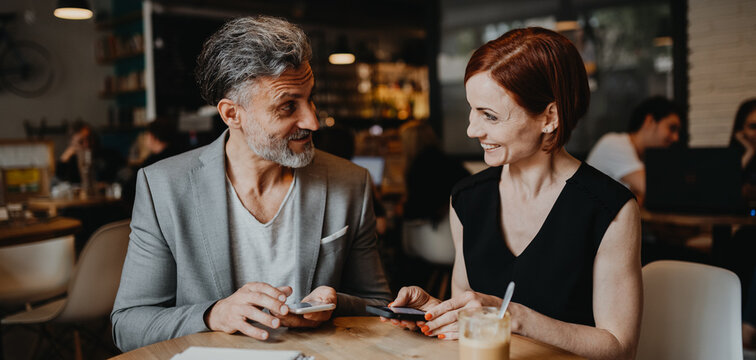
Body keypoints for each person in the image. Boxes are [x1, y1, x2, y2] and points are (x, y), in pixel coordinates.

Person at [111, 16, 392, 352]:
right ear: (232, 114)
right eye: (288, 106)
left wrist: (335, 305)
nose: (312, 120)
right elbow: (127, 325)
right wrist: (213, 314)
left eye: (310, 98)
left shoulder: (350, 182)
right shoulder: (164, 188)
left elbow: (377, 306)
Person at [386, 27, 642, 360]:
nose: (472, 130)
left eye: (489, 115)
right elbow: (471, 321)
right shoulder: (466, 199)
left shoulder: (610, 210)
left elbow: (620, 348)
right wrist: (439, 313)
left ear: (549, 117)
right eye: (472, 109)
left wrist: (518, 319)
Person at [586, 96, 682, 204]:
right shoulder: (614, 144)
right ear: (649, 121)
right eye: (672, 128)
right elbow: (655, 191)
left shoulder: (644, 157)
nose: (676, 138)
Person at [56, 121, 125, 184]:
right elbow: (58, 183)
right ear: (72, 145)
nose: (87, 144)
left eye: (89, 139)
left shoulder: (110, 155)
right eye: (81, 142)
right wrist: (64, 159)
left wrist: (108, 184)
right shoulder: (70, 162)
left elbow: (124, 175)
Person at [729, 98, 756, 184]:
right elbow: (725, 186)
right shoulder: (730, 158)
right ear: (741, 129)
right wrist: (749, 152)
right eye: (753, 127)